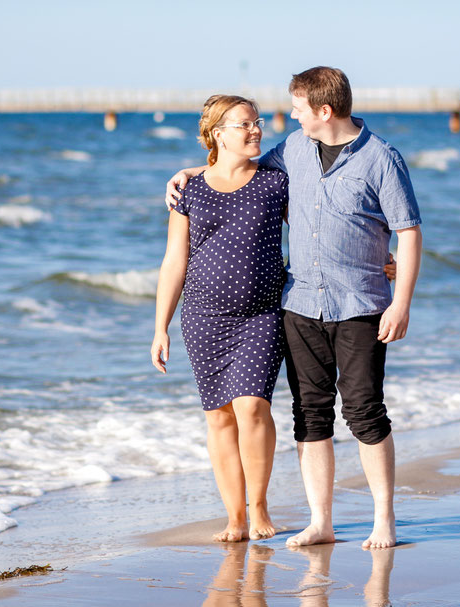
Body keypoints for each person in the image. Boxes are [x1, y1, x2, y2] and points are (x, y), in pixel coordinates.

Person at [166, 66, 422, 550]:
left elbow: (407, 230)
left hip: (361, 302)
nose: (289, 119)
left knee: (365, 411)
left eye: (298, 110)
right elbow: (236, 168)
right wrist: (189, 173)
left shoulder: (382, 159)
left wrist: (401, 301)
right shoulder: (294, 152)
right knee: (311, 414)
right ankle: (320, 522)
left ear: (323, 111)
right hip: (299, 302)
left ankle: (384, 519)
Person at [151, 95, 287, 542]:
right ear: (217, 134)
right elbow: (174, 261)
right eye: (245, 125)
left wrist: (376, 255)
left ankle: (260, 505)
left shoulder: (275, 183)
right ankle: (235, 517)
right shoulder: (191, 190)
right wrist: (160, 327)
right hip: (204, 318)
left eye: (257, 123)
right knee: (219, 418)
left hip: (262, 314)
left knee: (251, 407)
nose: (256, 131)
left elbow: (317, 229)